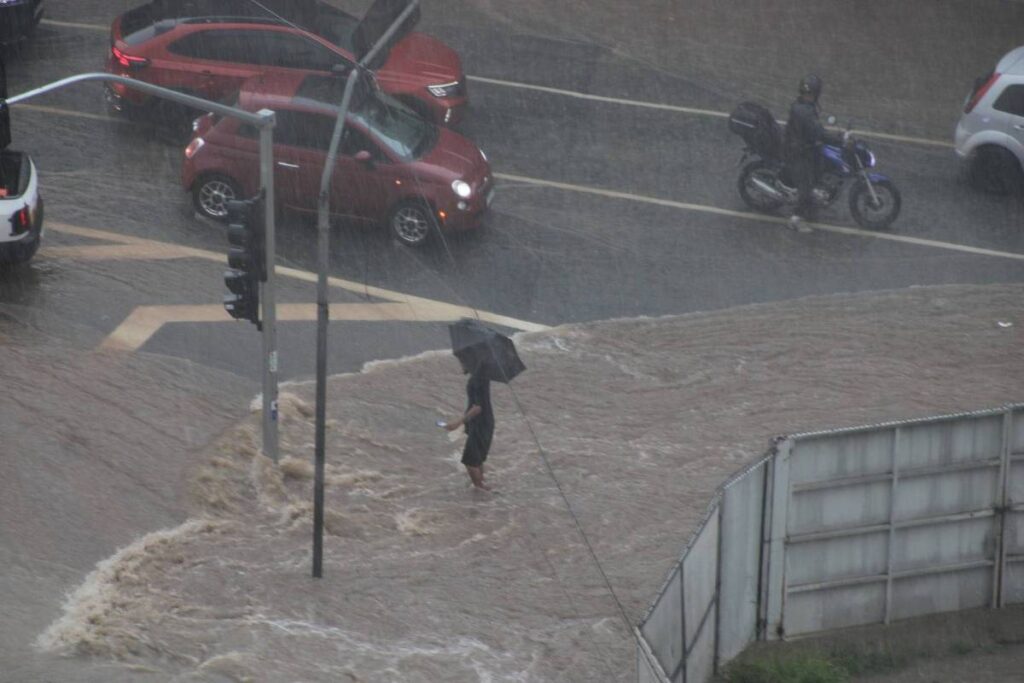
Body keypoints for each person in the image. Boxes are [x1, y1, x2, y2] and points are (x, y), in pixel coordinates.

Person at [782, 74, 843, 231]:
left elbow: (814, 129)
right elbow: (818, 132)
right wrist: (839, 140)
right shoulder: (804, 111)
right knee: (806, 186)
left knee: (819, 168)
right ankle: (795, 219)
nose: (811, 96)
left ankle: (811, 204)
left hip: (805, 146)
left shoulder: (804, 105)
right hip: (797, 151)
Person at [445, 359, 495, 491]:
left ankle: (481, 490)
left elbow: (477, 408)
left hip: (480, 425)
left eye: (462, 361)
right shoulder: (483, 377)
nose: (461, 364)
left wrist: (458, 422)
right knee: (477, 459)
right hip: (486, 423)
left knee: (469, 461)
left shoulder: (475, 380)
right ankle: (482, 487)